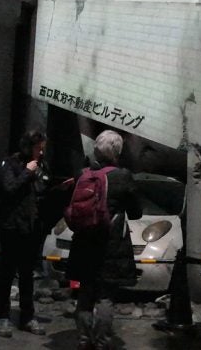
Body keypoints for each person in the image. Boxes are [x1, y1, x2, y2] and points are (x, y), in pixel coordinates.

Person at [67, 130, 142, 350]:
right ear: (117, 152)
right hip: (110, 245)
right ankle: (101, 342)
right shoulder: (123, 176)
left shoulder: (82, 174)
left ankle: (83, 340)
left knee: (85, 293)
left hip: (84, 242)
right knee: (105, 297)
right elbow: (136, 212)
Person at [0, 130, 50, 338]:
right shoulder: (11, 163)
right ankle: (2, 316)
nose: (41, 151)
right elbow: (9, 188)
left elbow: (39, 191)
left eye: (43, 147)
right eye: (38, 147)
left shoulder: (40, 165)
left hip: (30, 227)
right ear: (28, 146)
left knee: (27, 274)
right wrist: (27, 172)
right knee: (7, 272)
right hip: (11, 227)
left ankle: (27, 316)